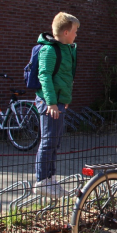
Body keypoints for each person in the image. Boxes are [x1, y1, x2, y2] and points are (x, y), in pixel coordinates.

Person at [34, 12, 79, 199]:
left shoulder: (66, 49)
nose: (76, 35)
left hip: (58, 102)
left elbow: (64, 77)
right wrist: (51, 103)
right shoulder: (49, 50)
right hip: (49, 102)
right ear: (66, 32)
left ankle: (50, 178)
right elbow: (44, 76)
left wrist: (64, 99)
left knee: (55, 141)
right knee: (48, 140)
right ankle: (42, 181)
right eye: (75, 31)